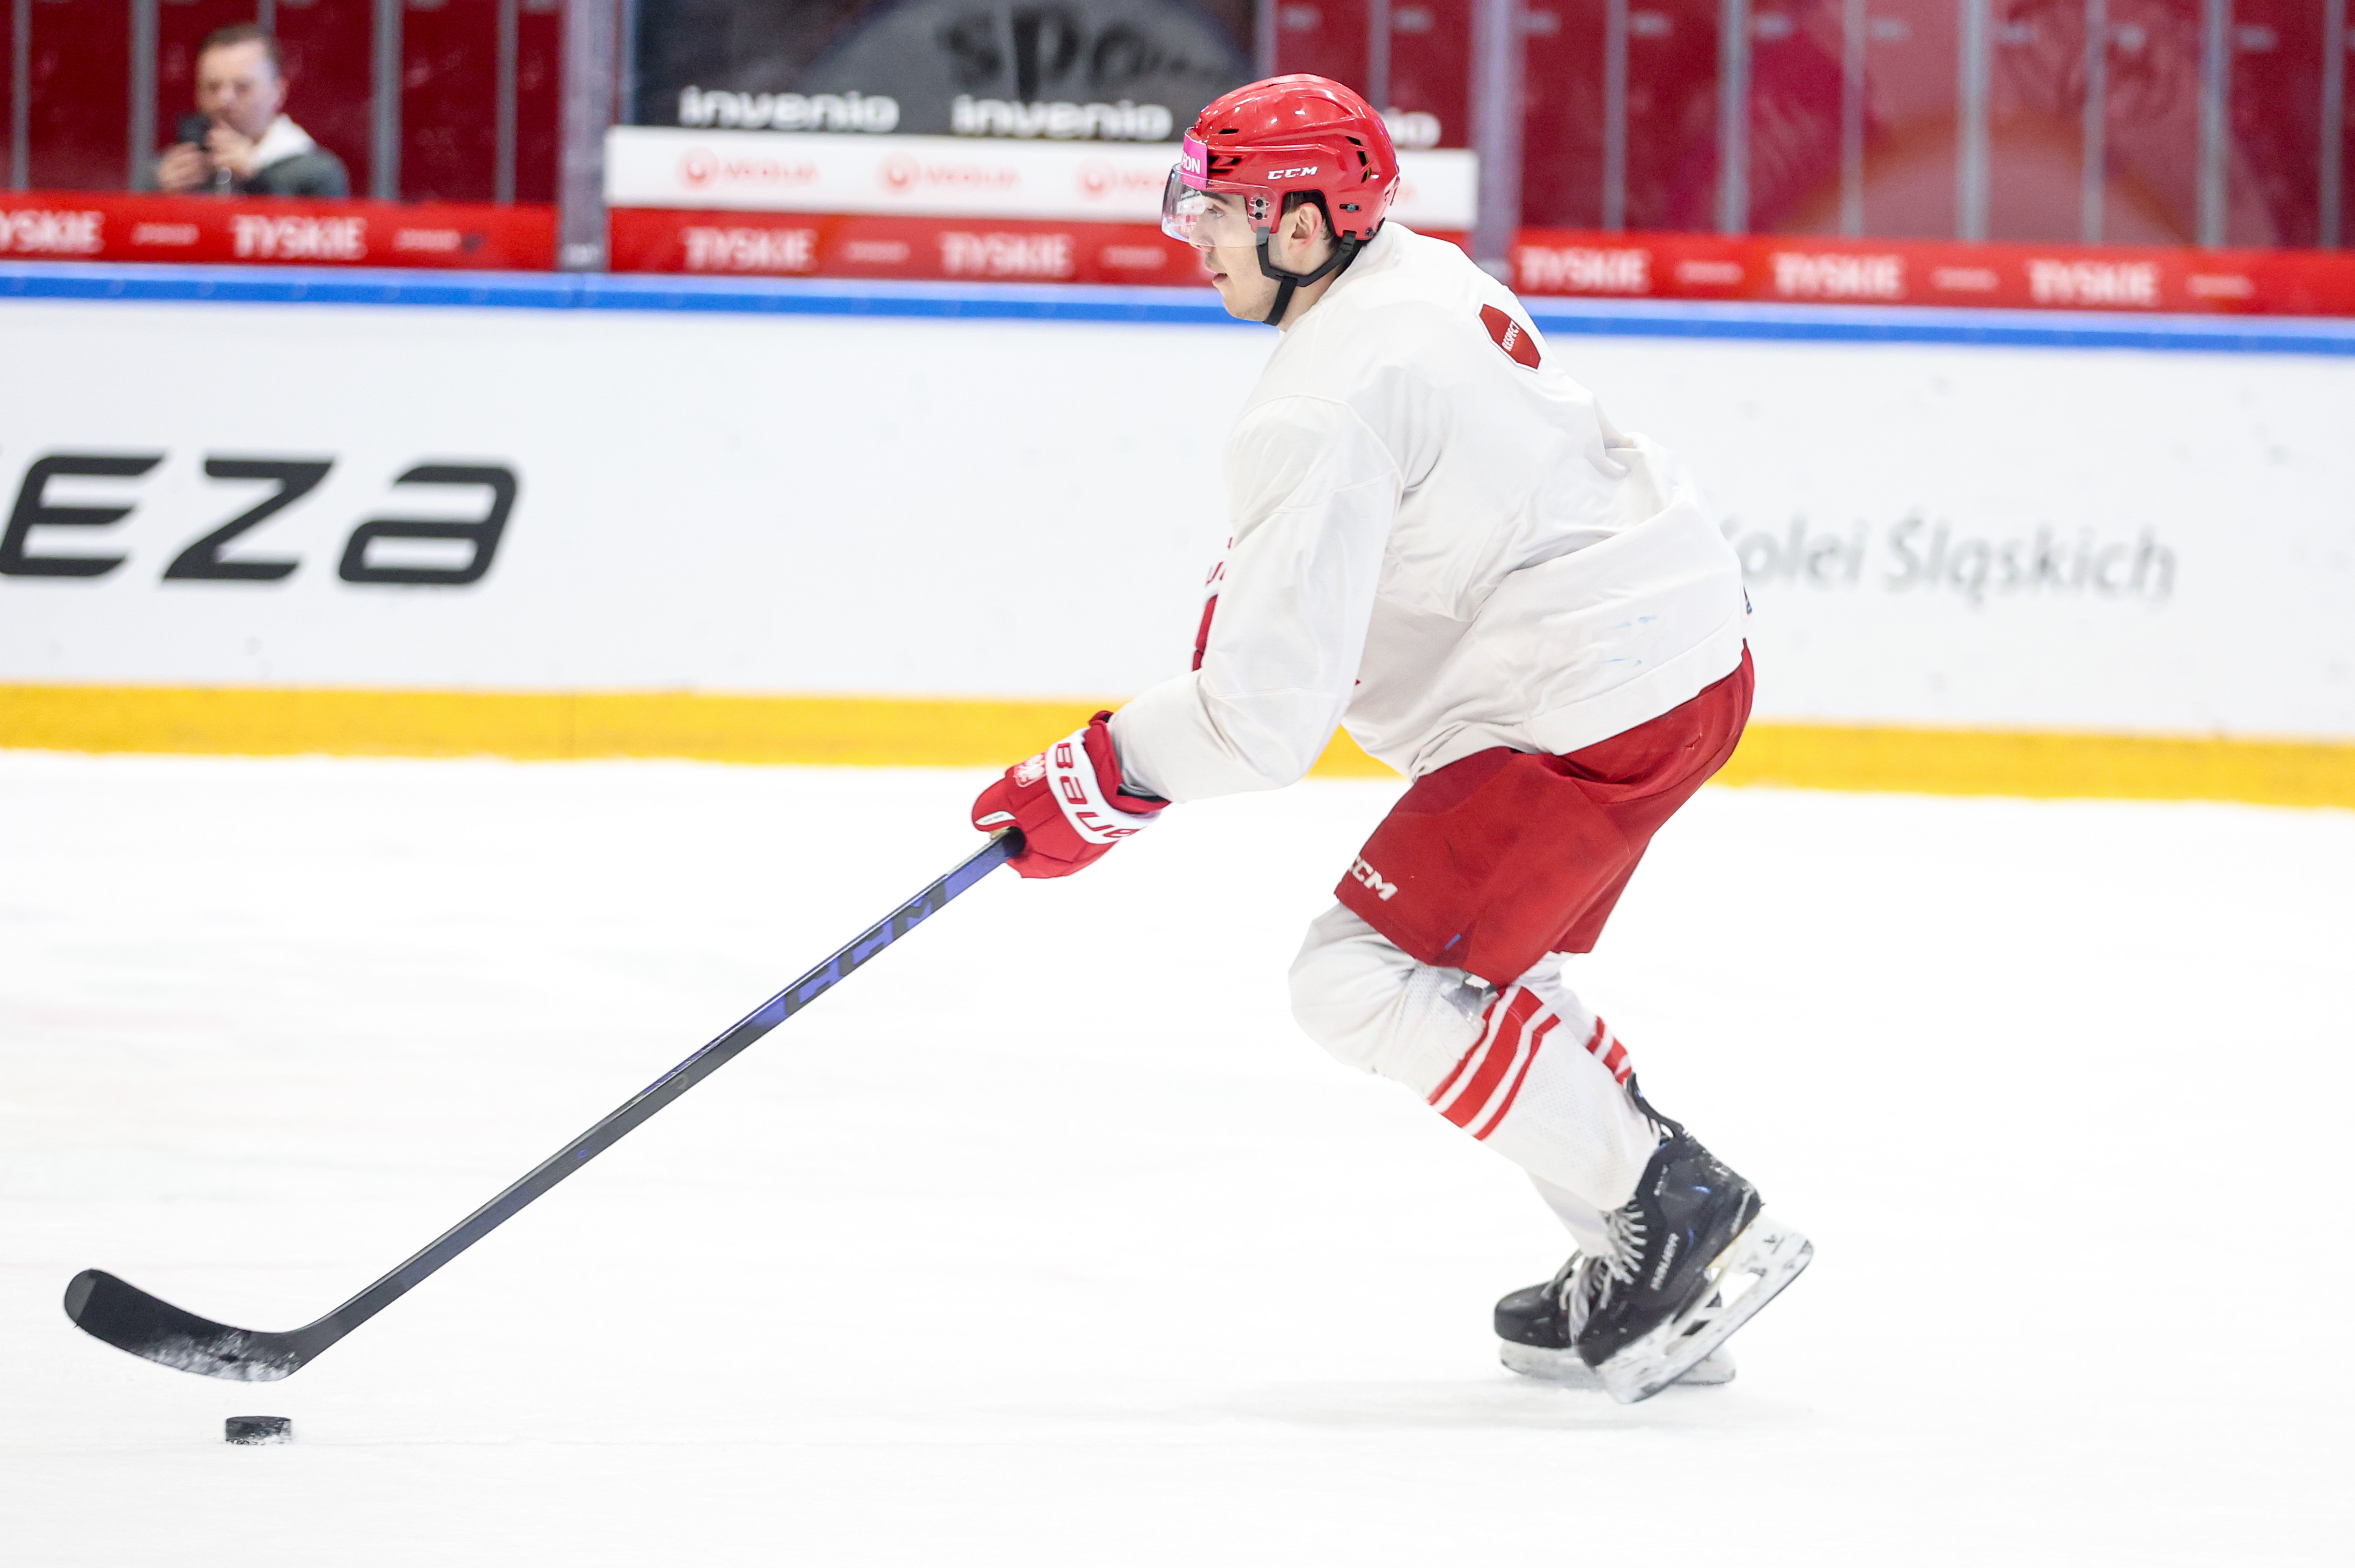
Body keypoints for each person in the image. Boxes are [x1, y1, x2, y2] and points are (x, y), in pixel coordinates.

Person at [968, 75, 1812, 1403]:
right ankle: (1649, 1251)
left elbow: (1265, 721)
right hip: (1670, 659)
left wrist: (1102, 772)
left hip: (1590, 700)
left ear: (1302, 227)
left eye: (1218, 212)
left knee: (1353, 978)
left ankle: (1675, 1205)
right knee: (1476, 963)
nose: (1193, 236)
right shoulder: (1410, 280)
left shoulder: (1320, 400)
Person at [143, 24, 349, 198]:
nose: (224, 100)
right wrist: (156, 196)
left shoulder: (317, 173)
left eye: (242, 88)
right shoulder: (166, 173)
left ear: (278, 93)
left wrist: (258, 183)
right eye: (212, 87)